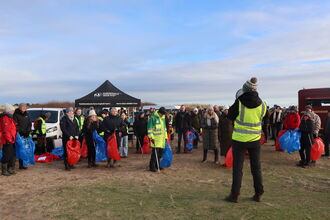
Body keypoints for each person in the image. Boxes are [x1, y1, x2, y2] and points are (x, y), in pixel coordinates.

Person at [225, 77, 267, 203]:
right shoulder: (263, 105)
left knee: (238, 168)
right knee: (256, 168)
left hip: (239, 140)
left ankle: (235, 195)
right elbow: (264, 120)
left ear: (245, 89)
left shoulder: (239, 102)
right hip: (255, 140)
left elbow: (230, 116)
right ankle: (258, 193)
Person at [148, 107, 167, 172]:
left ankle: (158, 165)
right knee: (154, 154)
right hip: (155, 140)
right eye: (163, 114)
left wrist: (166, 137)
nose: (163, 115)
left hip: (161, 140)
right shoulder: (152, 118)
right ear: (159, 113)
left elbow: (164, 129)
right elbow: (149, 129)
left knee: (160, 154)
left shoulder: (163, 119)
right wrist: (151, 138)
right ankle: (152, 166)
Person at [13, 103, 32, 169]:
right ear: (19, 107)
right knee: (20, 149)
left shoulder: (27, 114)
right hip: (19, 134)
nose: (24, 108)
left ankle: (24, 164)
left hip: (26, 134)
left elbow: (29, 123)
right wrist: (22, 131)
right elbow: (15, 125)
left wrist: (28, 131)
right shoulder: (16, 114)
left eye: (25, 107)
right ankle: (20, 164)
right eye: (22, 107)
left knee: (26, 149)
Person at [0, 104, 17, 176]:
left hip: (12, 139)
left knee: (12, 154)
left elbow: (12, 129)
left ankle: (9, 169)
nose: (13, 111)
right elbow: (6, 130)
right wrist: (9, 139)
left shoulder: (10, 118)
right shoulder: (5, 118)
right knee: (7, 155)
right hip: (7, 140)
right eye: (12, 110)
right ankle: (4, 170)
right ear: (8, 111)